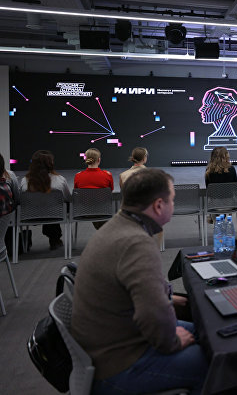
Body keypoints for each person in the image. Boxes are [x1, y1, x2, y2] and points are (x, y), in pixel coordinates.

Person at [71, 169, 208, 395]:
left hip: (110, 343)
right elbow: (152, 314)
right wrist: (173, 341)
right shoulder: (136, 243)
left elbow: (140, 295)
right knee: (213, 361)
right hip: (119, 364)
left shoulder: (118, 227)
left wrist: (164, 298)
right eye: (172, 200)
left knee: (206, 333)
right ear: (158, 206)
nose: (173, 205)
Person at [20, 150, 71, 250]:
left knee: (45, 206)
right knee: (56, 206)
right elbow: (68, 198)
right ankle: (55, 238)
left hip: (31, 215)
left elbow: (21, 200)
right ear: (51, 164)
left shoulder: (25, 181)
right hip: (55, 214)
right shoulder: (60, 180)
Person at [73, 148, 114, 229]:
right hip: (103, 211)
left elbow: (77, 193)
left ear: (86, 159)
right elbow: (110, 191)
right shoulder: (107, 175)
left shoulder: (78, 176)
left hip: (83, 212)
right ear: (99, 160)